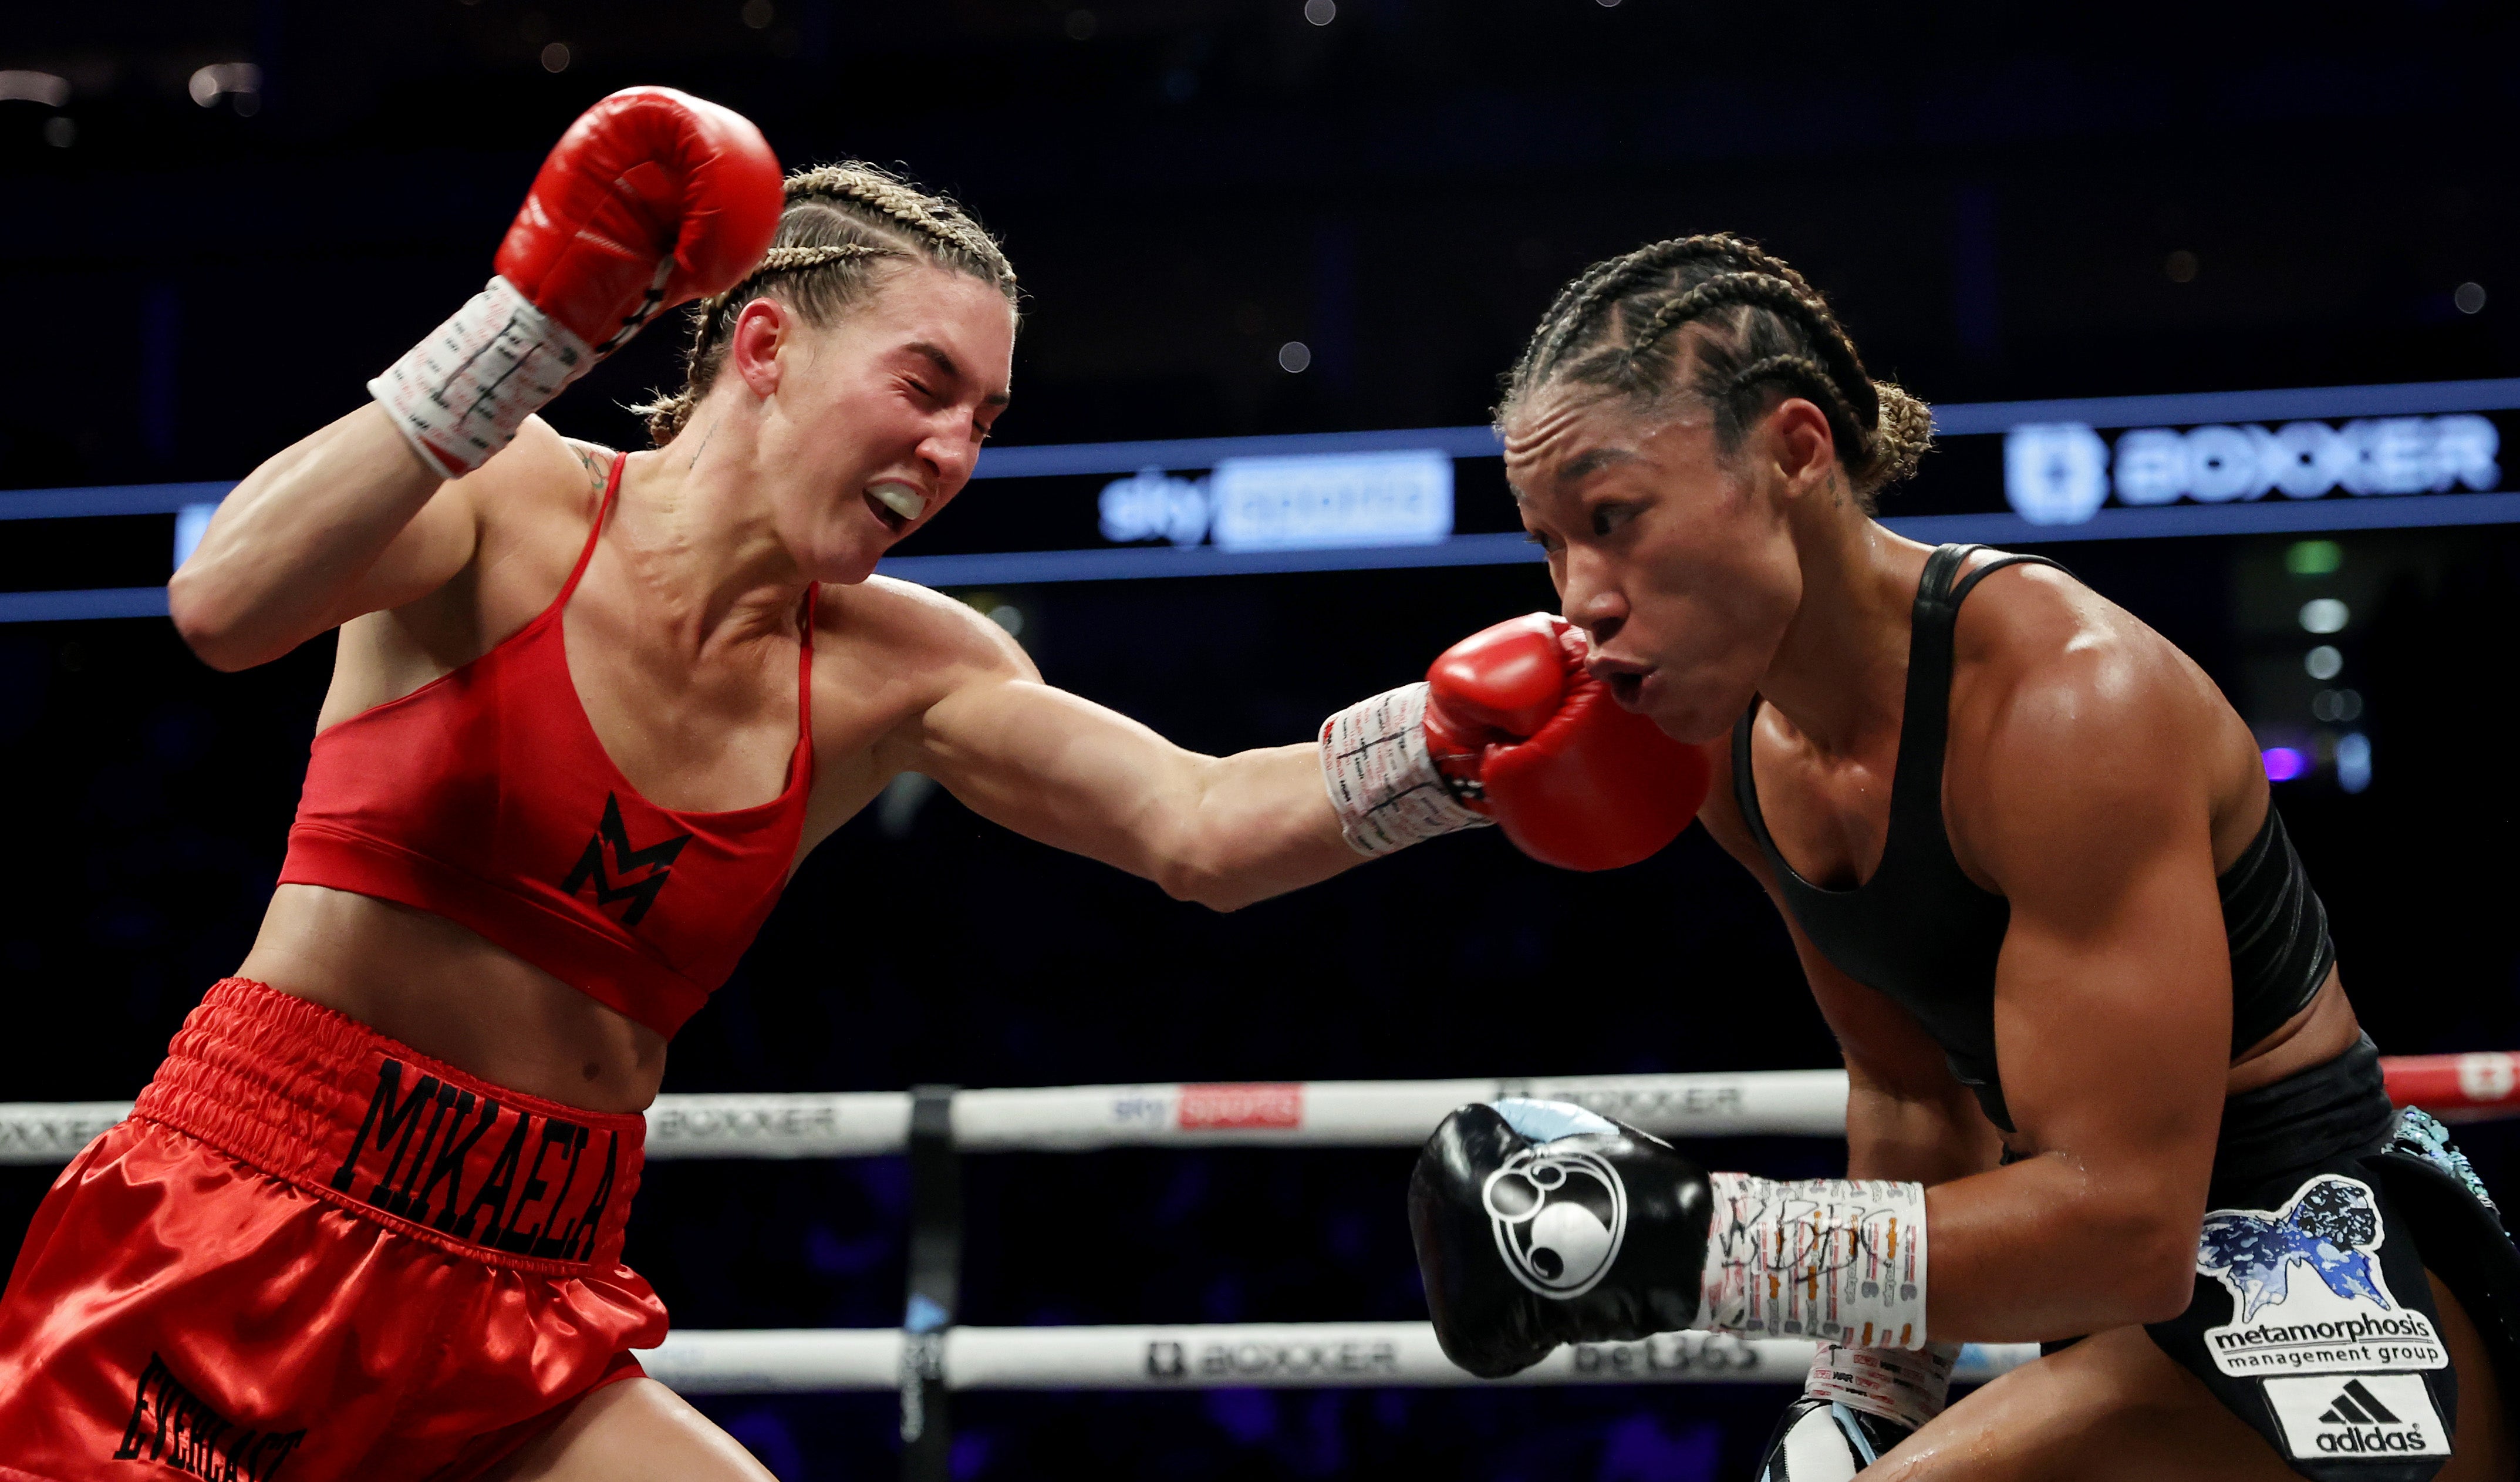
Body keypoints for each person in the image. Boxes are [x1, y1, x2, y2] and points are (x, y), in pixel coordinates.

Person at [0, 87, 1696, 1480]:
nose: (952, 450)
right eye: (924, 385)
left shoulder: (904, 667)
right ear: (758, 348)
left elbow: (1196, 826)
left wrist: (1449, 742)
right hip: (239, 1219)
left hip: (525, 1293)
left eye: (984, 419)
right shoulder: (503, 496)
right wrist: (525, 328)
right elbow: (221, 603)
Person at [1401, 234, 2520, 1480]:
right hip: (2105, 1308)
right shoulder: (1735, 745)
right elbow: (1909, 1097)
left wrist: (1689, 1244)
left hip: (2313, 1278)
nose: (1580, 597)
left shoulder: (2064, 706)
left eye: (1613, 519)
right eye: (1550, 543)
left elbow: (2125, 1225)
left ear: (1792, 452)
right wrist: (1863, 1394)